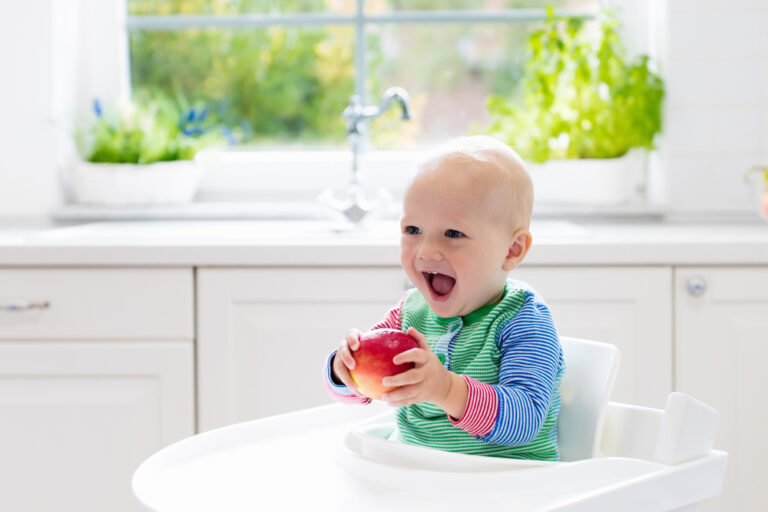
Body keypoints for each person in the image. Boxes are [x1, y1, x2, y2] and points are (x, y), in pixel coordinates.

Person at [323, 135, 564, 461]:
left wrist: (447, 390)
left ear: (512, 250)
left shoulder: (522, 320)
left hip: (507, 487)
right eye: (412, 230)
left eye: (453, 234)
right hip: (418, 476)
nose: (426, 251)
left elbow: (525, 420)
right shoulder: (409, 313)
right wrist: (345, 370)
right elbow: (365, 390)